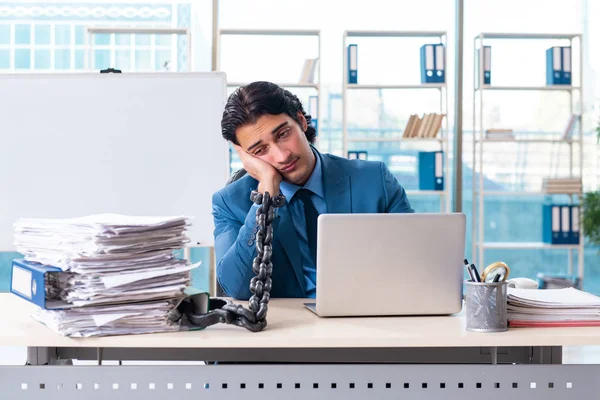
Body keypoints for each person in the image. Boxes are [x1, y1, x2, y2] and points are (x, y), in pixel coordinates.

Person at [212, 81, 414, 300]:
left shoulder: (375, 180)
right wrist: (267, 195)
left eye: (282, 134)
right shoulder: (229, 203)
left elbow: (416, 259)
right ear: (247, 157)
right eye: (260, 150)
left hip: (368, 316)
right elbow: (236, 287)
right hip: (287, 328)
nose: (282, 156)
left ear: (300, 121)